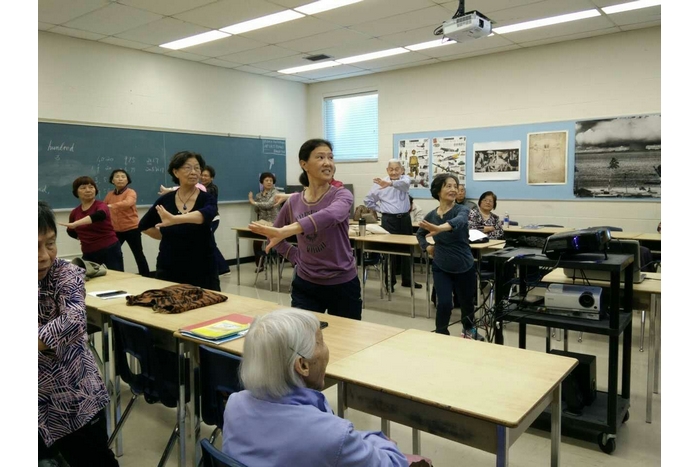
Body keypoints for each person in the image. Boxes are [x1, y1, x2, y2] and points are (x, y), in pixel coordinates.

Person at [222, 308, 430, 467]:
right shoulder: (331, 436)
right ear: (302, 365)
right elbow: (393, 463)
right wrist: (383, 442)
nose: (327, 350)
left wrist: (362, 439)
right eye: (320, 342)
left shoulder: (234, 404)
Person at [38, 201, 119, 467]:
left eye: (50, 243)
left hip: (74, 399)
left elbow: (73, 321)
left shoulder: (66, 273)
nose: (44, 255)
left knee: (94, 460)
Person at [249, 139, 362, 320]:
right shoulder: (294, 202)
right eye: (320, 157)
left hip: (342, 282)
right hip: (305, 283)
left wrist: (288, 230)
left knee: (346, 336)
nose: (328, 163)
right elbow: (274, 236)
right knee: (303, 335)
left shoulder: (341, 195)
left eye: (330, 157)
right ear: (304, 164)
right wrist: (296, 256)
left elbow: (331, 215)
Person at [139, 151, 220, 291]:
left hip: (202, 265)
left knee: (207, 302)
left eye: (197, 168)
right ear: (176, 172)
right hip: (169, 265)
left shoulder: (207, 198)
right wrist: (168, 236)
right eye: (188, 167)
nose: (194, 172)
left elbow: (204, 215)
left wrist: (174, 219)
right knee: (168, 301)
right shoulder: (165, 200)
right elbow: (144, 225)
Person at [416, 174, 479, 338]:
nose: (453, 189)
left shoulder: (462, 209)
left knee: (467, 303)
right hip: (441, 265)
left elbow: (459, 221)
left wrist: (440, 228)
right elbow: (420, 234)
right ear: (438, 191)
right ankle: (441, 334)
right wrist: (427, 247)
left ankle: (469, 330)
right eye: (448, 186)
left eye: (455, 186)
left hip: (464, 264)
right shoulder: (431, 216)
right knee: (443, 303)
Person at [364, 160, 422, 291]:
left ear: (402, 170)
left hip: (405, 219)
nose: (394, 172)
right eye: (391, 169)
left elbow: (405, 184)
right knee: (389, 251)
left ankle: (408, 279)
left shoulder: (405, 179)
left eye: (397, 169)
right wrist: (381, 209)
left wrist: (390, 184)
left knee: (408, 249)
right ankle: (390, 281)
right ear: (387, 170)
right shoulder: (379, 184)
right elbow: (368, 200)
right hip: (389, 220)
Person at [62, 176, 124, 271]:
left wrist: (76, 223)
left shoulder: (101, 205)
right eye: (83, 188)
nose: (88, 190)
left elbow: (100, 215)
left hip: (110, 249)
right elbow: (70, 231)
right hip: (88, 252)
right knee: (87, 276)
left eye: (91, 187)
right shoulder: (75, 212)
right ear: (76, 192)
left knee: (117, 276)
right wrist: (83, 237)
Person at [103, 169, 150, 276]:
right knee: (114, 253)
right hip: (116, 230)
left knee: (138, 254)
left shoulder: (130, 192)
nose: (120, 179)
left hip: (132, 229)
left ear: (127, 180)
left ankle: (146, 276)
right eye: (117, 177)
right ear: (112, 180)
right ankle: (120, 275)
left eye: (123, 177)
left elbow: (128, 203)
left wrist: (111, 206)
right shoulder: (110, 194)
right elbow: (103, 207)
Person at [248, 172, 281, 273]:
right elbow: (257, 210)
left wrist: (253, 202)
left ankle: (292, 261)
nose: (269, 182)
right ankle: (260, 265)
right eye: (267, 180)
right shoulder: (258, 195)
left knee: (280, 242)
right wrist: (256, 204)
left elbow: (269, 204)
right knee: (256, 242)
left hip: (274, 222)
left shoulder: (276, 193)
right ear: (262, 182)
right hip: (263, 222)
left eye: (271, 180)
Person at [201, 165, 230, 275]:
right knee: (209, 242)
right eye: (202, 175)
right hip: (204, 220)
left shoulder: (212, 188)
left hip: (213, 219)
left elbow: (204, 194)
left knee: (209, 243)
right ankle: (221, 268)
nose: (203, 177)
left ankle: (223, 268)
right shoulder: (199, 187)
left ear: (211, 178)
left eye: (206, 176)